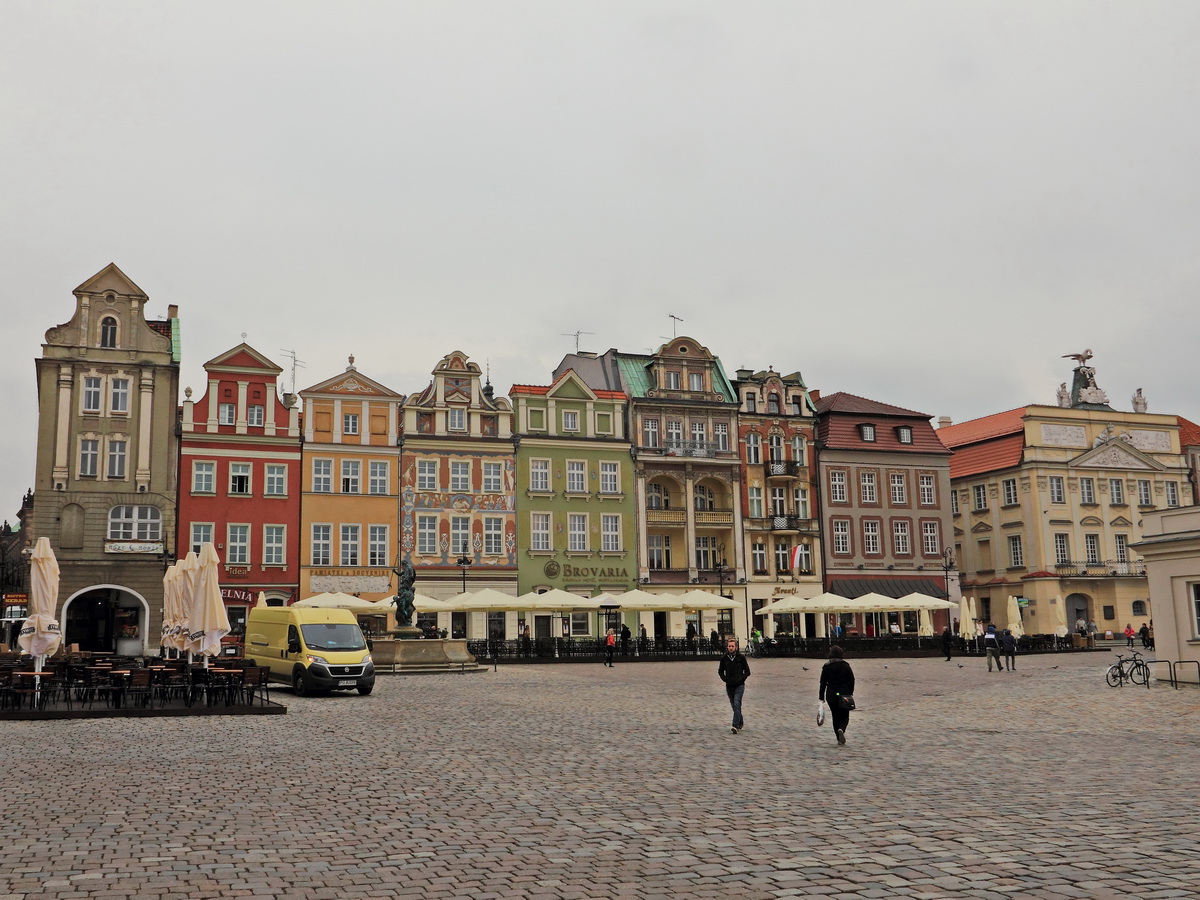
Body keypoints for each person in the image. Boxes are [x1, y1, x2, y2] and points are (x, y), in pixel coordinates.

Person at [818, 645, 855, 746]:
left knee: (835, 716)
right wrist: (850, 692)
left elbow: (823, 683)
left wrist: (821, 697)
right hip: (844, 694)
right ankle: (841, 729)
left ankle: (839, 738)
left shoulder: (826, 667)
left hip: (831, 695)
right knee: (845, 716)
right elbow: (851, 680)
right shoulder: (845, 666)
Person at [717, 638, 750, 734]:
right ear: (727, 647)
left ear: (736, 647)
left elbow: (747, 671)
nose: (731, 648)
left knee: (736, 703)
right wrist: (725, 679)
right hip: (729, 685)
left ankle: (735, 725)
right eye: (729, 646)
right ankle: (740, 722)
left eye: (732, 646)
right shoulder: (724, 658)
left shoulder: (741, 658)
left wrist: (741, 679)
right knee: (734, 706)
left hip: (739, 685)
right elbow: (720, 671)